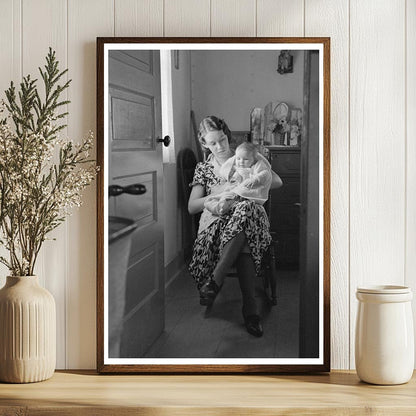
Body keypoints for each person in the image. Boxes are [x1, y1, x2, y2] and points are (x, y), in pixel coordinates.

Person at [188, 116, 282, 337]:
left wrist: (249, 183)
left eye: (222, 139)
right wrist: (223, 192)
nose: (220, 147)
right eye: (213, 143)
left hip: (247, 217)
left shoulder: (245, 155)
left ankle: (215, 281)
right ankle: (251, 311)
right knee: (244, 228)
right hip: (217, 222)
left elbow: (276, 182)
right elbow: (192, 206)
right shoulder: (203, 168)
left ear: (227, 136)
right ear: (205, 144)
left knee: (245, 211)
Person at [203, 141, 273, 216]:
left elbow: (265, 173)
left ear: (253, 160)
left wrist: (255, 179)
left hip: (247, 190)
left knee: (232, 197)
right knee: (220, 196)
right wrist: (230, 176)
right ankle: (215, 205)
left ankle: (222, 206)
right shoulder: (235, 168)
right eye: (238, 158)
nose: (241, 162)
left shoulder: (256, 166)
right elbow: (227, 173)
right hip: (236, 188)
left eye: (246, 159)